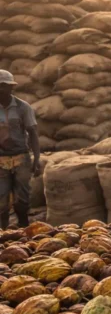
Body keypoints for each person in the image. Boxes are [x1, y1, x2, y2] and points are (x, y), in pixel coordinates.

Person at [0, 70, 40, 230]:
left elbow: (33, 133)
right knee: (1, 199)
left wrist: (36, 159)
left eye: (4, 86)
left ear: (11, 88)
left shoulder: (23, 107)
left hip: (21, 158)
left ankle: (23, 229)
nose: (1, 90)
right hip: (0, 159)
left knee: (22, 199)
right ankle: (2, 234)